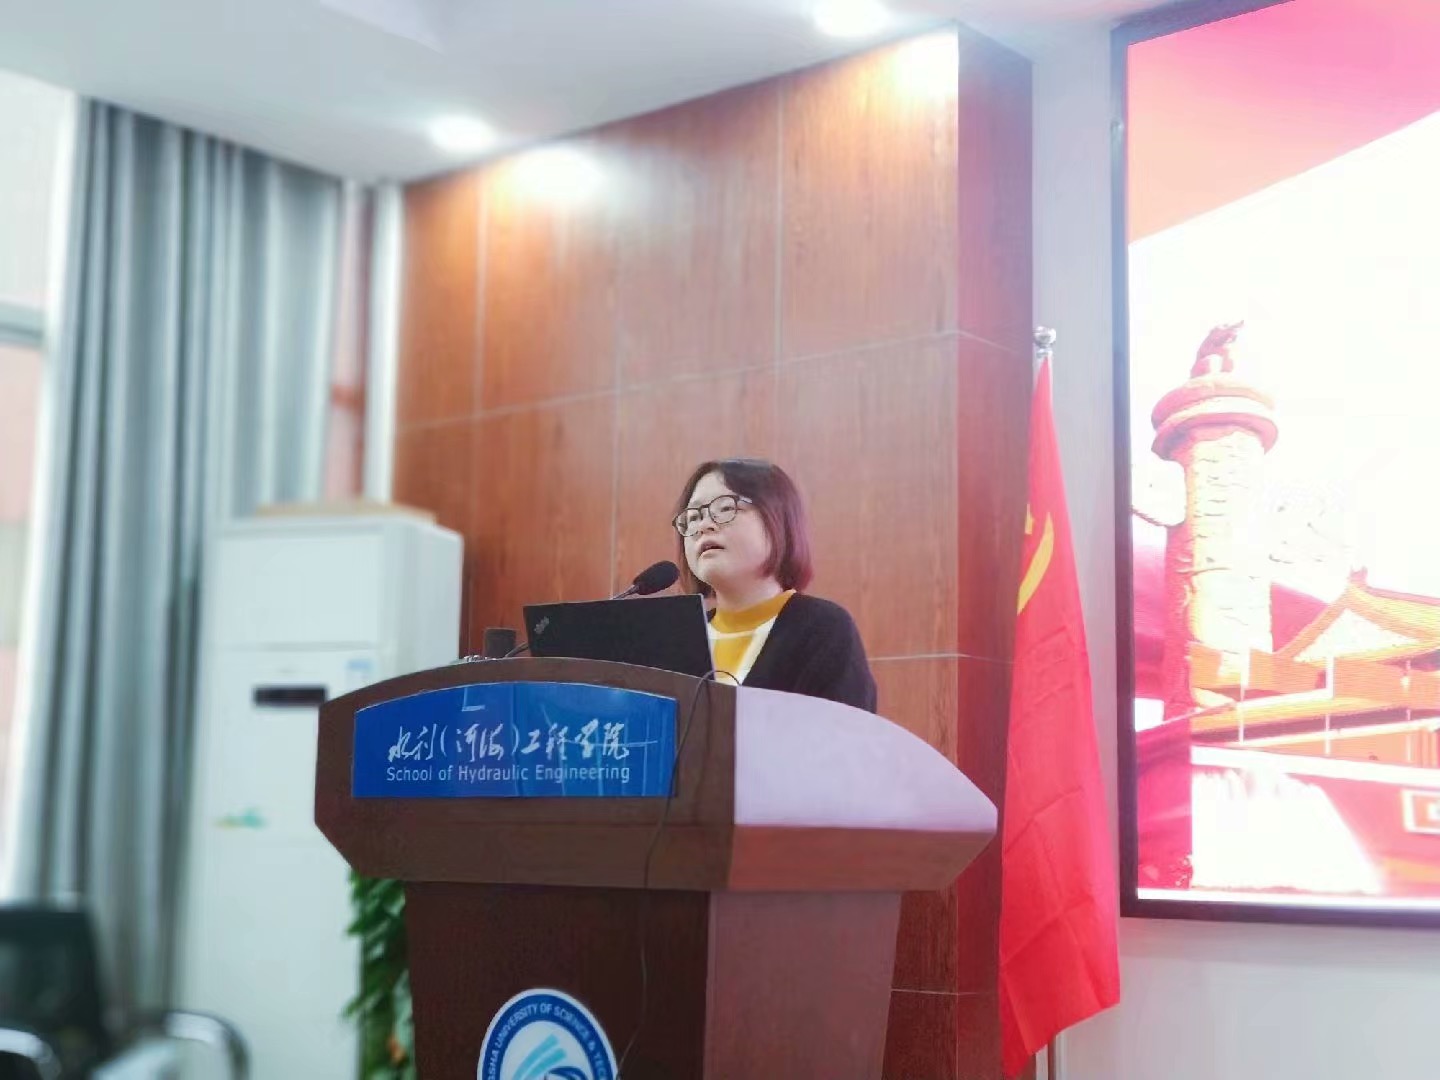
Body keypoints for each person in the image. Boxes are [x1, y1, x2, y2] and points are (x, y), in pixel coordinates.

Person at [671, 458, 877, 712]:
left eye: (724, 508)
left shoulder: (822, 629)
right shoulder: (678, 642)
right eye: (693, 517)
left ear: (777, 518)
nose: (703, 526)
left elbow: (843, 732)